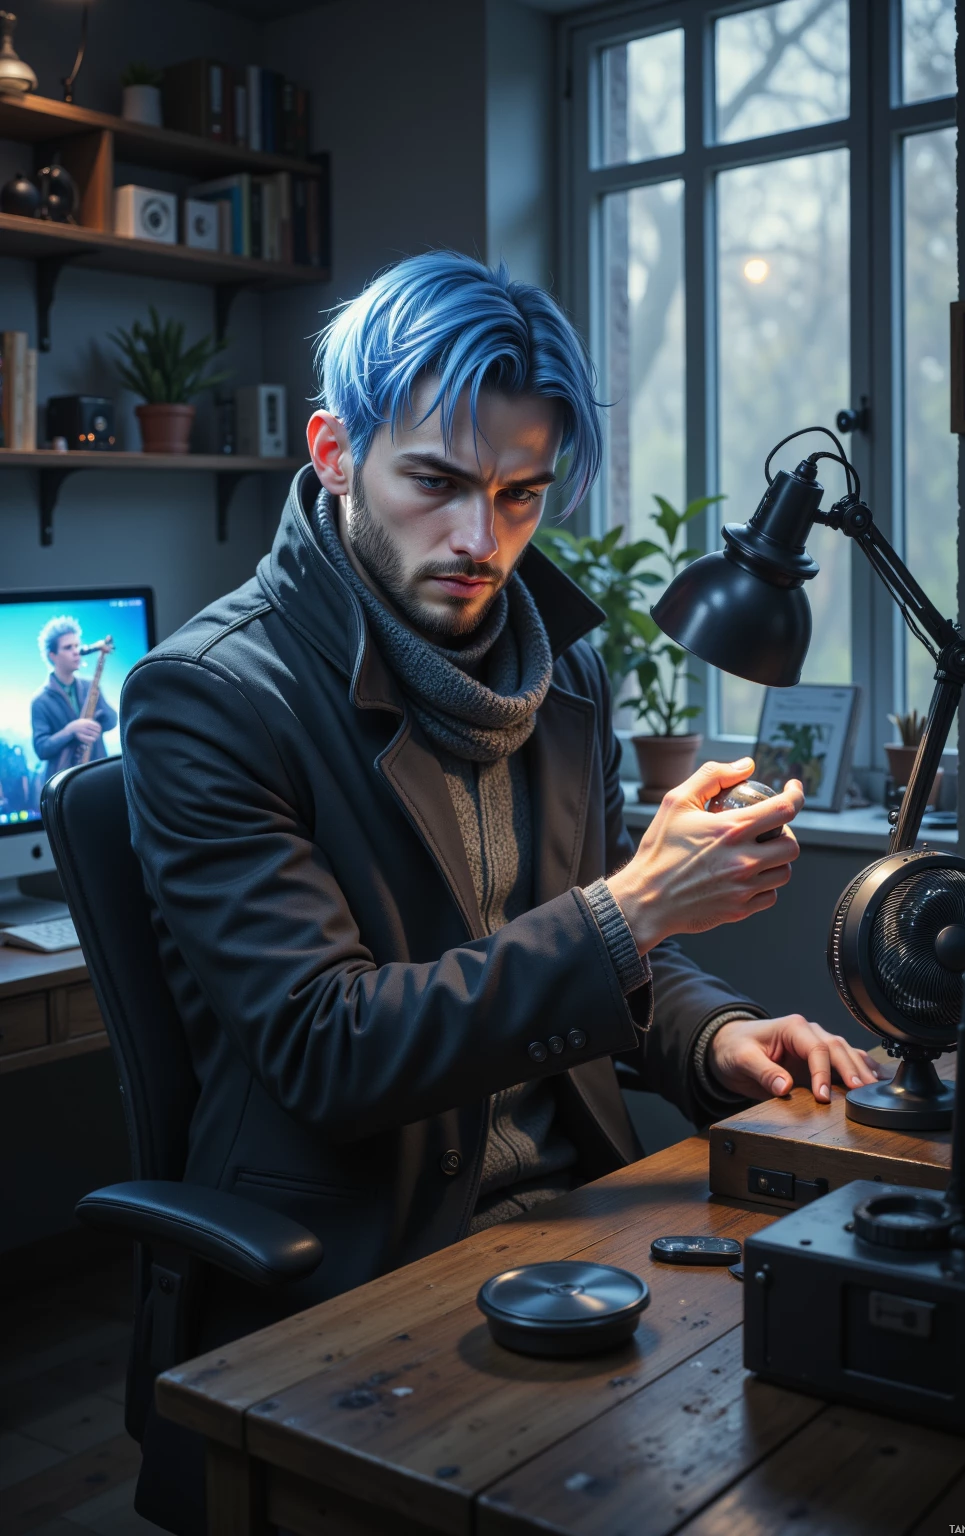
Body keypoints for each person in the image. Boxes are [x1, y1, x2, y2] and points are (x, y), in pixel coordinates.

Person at [121, 253, 880, 1527]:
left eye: (521, 494)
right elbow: (326, 1047)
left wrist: (717, 1034)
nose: (482, 541)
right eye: (435, 482)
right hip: (358, 1265)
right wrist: (635, 907)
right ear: (334, 453)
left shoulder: (560, 676)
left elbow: (607, 953)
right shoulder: (210, 699)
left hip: (581, 1219)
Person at [31, 617, 117, 778]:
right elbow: (42, 749)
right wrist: (70, 731)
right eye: (68, 647)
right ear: (52, 655)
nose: (76, 651)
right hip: (64, 781)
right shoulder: (40, 701)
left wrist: (97, 718)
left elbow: (112, 721)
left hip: (98, 773)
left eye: (77, 646)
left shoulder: (90, 686)